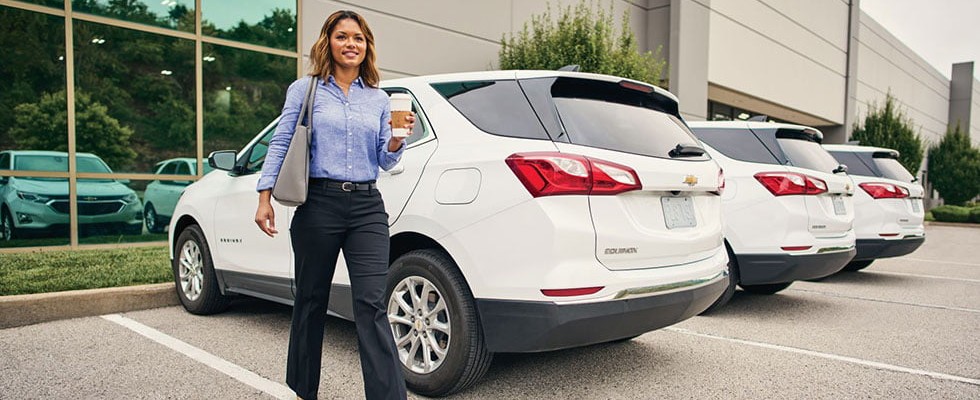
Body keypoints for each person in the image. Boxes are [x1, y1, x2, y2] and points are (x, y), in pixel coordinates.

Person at [253, 10, 413, 400]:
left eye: (358, 38)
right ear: (328, 41)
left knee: (372, 303)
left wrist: (395, 140)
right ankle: (303, 390)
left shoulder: (377, 98)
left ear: (366, 46)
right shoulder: (305, 90)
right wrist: (264, 197)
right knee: (310, 299)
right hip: (318, 205)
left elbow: (386, 161)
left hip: (366, 207)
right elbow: (281, 142)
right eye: (342, 37)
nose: (350, 44)